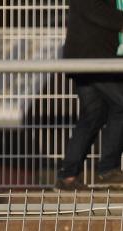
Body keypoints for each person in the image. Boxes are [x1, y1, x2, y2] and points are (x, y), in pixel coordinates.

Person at [55, 0, 123, 191]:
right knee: (120, 105)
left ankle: (67, 176)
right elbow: (95, 11)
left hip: (88, 56)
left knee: (93, 114)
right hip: (94, 58)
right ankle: (109, 169)